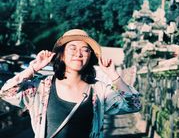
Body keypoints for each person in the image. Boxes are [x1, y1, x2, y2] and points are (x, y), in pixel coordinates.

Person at [0, 29, 141, 138]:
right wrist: (33, 68)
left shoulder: (99, 90)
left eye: (85, 50)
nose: (79, 53)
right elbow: (6, 93)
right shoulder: (41, 87)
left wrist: (113, 74)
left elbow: (134, 105)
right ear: (61, 54)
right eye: (72, 48)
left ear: (90, 56)